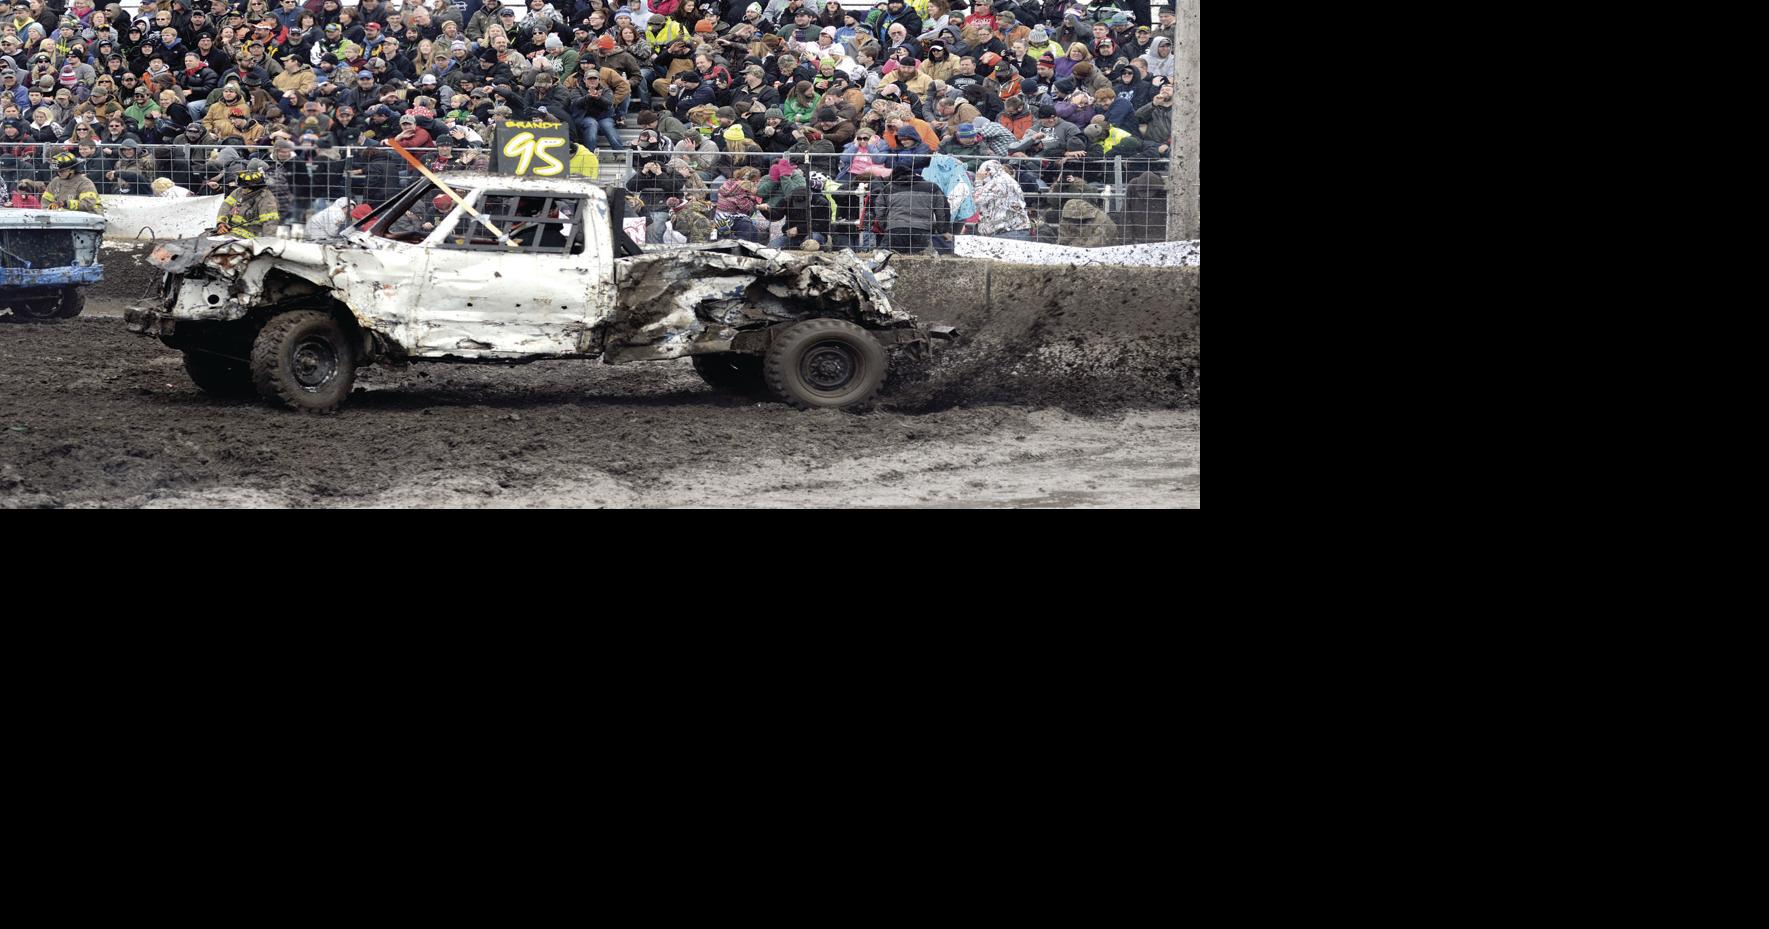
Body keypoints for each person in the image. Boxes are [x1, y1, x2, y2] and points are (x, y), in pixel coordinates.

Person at [971, 159, 1030, 240]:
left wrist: (978, 181)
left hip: (1006, 231)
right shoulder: (1008, 180)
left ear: (987, 171)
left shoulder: (997, 181)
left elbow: (976, 201)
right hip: (1014, 229)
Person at [216, 164, 281, 238]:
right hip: (231, 233)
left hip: (251, 238)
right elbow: (225, 206)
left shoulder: (266, 199)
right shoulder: (238, 192)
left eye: (245, 187)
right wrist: (221, 223)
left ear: (254, 188)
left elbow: (270, 225)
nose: (241, 190)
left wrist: (268, 243)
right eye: (241, 187)